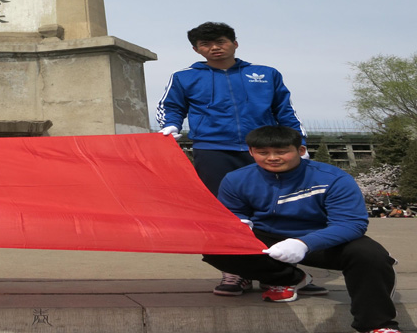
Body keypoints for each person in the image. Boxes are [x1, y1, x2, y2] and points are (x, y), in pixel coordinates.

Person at [156, 21, 326, 296]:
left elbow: (285, 111)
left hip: (264, 149)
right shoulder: (184, 77)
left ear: (234, 43)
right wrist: (171, 125)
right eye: (205, 44)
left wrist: (299, 144)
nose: (214, 48)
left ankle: (279, 271)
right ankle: (236, 271)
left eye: (221, 42)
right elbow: (171, 106)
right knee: (223, 211)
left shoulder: (266, 74)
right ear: (196, 50)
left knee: (274, 208)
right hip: (213, 150)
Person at [202, 125, 399, 333]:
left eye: (281, 152)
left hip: (322, 239)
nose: (272, 158)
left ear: (301, 150)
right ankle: (290, 279)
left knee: (369, 255)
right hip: (267, 240)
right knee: (216, 247)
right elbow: (234, 215)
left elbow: (351, 223)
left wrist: (304, 243)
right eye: (263, 152)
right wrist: (238, 225)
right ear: (251, 152)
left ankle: (377, 325)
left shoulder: (333, 178)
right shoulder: (236, 179)